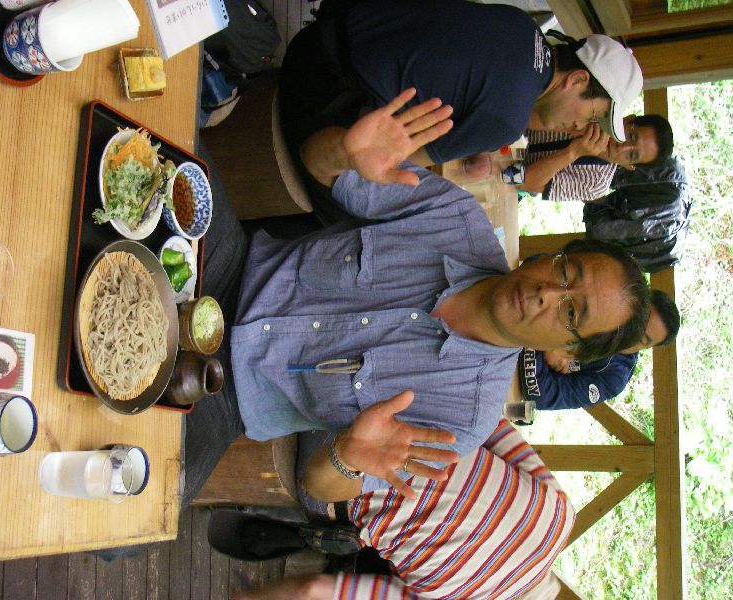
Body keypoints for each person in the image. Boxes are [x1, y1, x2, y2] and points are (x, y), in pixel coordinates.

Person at [184, 91, 651, 505]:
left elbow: (319, 485)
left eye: (571, 312)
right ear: (551, 255)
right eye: (566, 272)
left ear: (566, 350)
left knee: (147, 481)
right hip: (228, 266)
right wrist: (344, 152)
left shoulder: (465, 416)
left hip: (225, 394)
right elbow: (319, 161)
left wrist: (347, 457)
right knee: (162, 149)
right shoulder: (456, 218)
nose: (546, 293)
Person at [278, 0, 643, 223]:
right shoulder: (509, 120)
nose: (579, 125)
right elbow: (405, 158)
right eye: (590, 115)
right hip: (318, 94)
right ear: (577, 80)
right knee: (349, 225)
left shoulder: (523, 25)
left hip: (322, 34)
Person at [236, 420, 575, 600]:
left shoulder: (561, 514)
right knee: (362, 545)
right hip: (327, 466)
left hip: (376, 409)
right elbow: (311, 592)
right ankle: (292, 535)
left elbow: (490, 423)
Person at [513, 290, 680, 410]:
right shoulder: (606, 292)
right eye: (637, 320)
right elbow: (536, 279)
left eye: (641, 338)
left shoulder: (615, 376)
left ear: (646, 348)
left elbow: (542, 395)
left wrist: (542, 341)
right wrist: (550, 341)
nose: (632, 332)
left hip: (510, 375)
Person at [520, 114, 675, 202]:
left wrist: (572, 153)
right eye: (631, 136)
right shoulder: (593, 109)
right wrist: (567, 126)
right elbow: (525, 111)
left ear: (629, 166)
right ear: (628, 119)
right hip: (512, 126)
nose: (622, 147)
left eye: (631, 155)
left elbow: (523, 182)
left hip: (510, 175)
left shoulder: (597, 183)